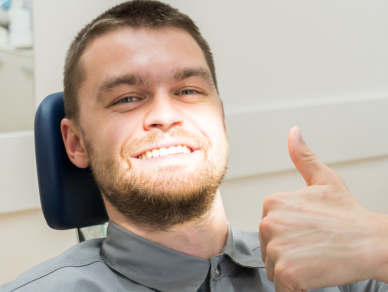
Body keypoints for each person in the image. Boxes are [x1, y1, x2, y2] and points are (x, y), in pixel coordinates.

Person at [1, 1, 388, 291]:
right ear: (75, 142)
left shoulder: (342, 268)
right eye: (127, 98)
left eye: (188, 90)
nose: (166, 115)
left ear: (219, 116)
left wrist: (380, 242)